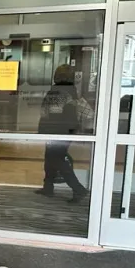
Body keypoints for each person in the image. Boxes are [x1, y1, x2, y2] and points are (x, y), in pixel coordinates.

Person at [35, 64, 93, 203]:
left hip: (55, 131)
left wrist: (43, 129)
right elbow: (89, 113)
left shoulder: (56, 92)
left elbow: (47, 113)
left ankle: (79, 189)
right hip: (67, 131)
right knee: (50, 159)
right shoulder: (73, 92)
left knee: (56, 160)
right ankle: (48, 187)